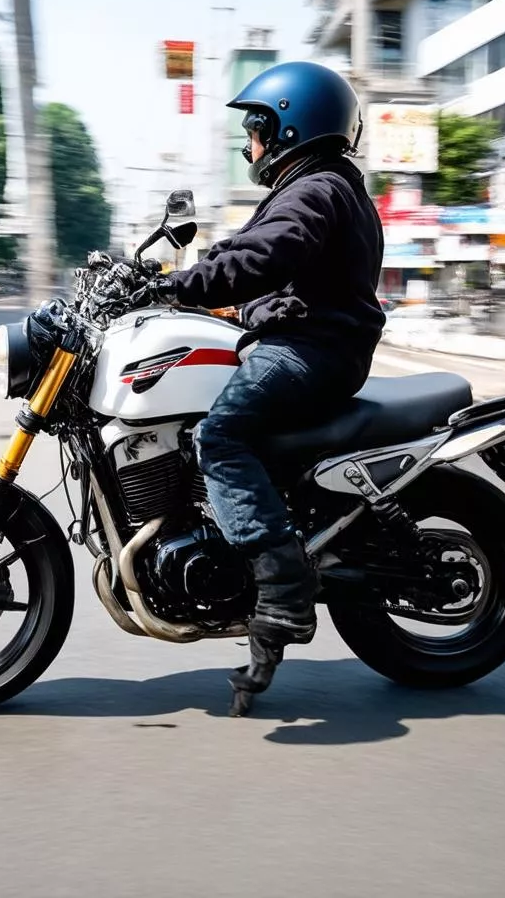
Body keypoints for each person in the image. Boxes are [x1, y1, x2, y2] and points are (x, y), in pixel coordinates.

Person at [137, 61, 385, 658]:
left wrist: (177, 287)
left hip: (315, 352)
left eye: (255, 128)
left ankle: (283, 588)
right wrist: (199, 296)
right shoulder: (311, 187)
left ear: (287, 128)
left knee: (219, 437)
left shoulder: (317, 190)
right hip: (310, 342)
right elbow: (252, 258)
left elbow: (265, 258)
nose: (249, 144)